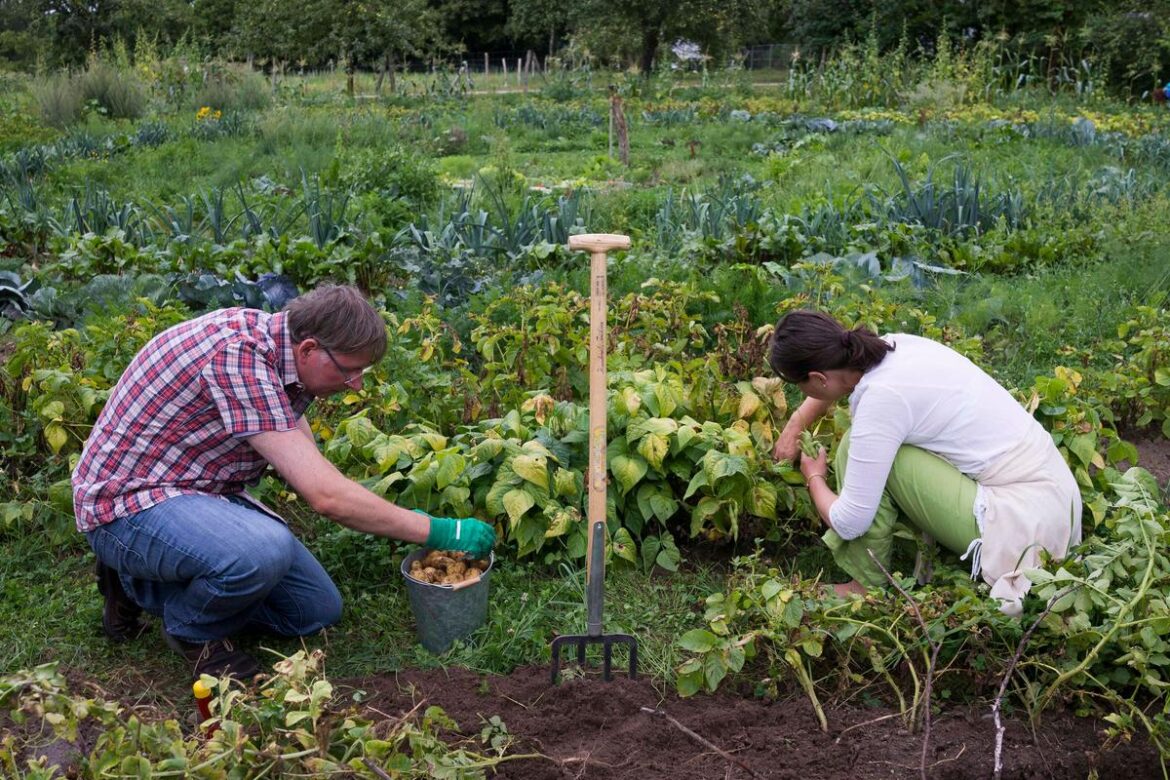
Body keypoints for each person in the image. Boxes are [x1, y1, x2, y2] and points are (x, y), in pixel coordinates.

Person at [73, 285, 496, 679]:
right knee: (261, 551)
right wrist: (439, 530)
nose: (357, 385)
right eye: (350, 372)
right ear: (311, 348)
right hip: (127, 504)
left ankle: (138, 583)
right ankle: (191, 629)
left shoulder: (279, 351)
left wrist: (399, 516)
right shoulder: (237, 356)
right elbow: (325, 496)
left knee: (313, 610)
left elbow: (309, 465)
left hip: (198, 489)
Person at [769, 310, 1081, 615]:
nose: (802, 394)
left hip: (1026, 527)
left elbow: (851, 522)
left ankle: (864, 587)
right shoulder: (892, 346)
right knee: (870, 445)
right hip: (1056, 499)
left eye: (800, 386)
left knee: (863, 450)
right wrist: (797, 423)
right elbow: (834, 381)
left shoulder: (882, 398)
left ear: (818, 378)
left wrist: (815, 477)